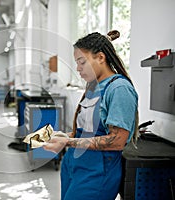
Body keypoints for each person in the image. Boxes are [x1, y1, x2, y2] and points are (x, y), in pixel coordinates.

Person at [43, 30, 138, 200]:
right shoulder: (93, 87)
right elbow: (84, 130)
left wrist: (68, 141)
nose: (78, 69)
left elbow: (116, 141)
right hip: (74, 163)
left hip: (97, 170)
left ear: (101, 57)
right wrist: (65, 137)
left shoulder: (119, 89)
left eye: (82, 62)